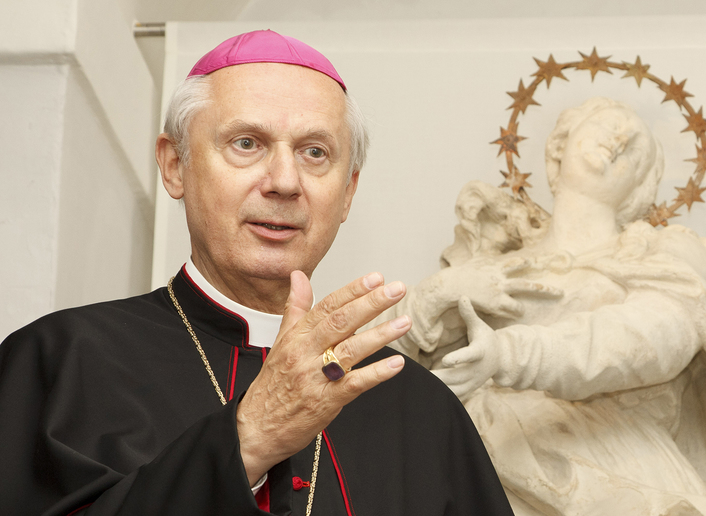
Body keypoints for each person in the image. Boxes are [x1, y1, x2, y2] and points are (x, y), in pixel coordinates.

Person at [0, 30, 513, 516]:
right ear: (175, 166)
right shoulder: (60, 361)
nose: (284, 181)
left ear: (348, 192)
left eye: (315, 153)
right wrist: (249, 439)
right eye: (246, 143)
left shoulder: (421, 410)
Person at [385, 98, 706, 515]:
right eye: (607, 123)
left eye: (637, 148)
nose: (621, 138)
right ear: (558, 147)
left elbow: (650, 339)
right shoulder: (485, 267)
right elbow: (383, 367)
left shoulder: (660, 255)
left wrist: (508, 355)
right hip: (483, 454)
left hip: (610, 461)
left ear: (640, 188)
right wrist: (435, 294)